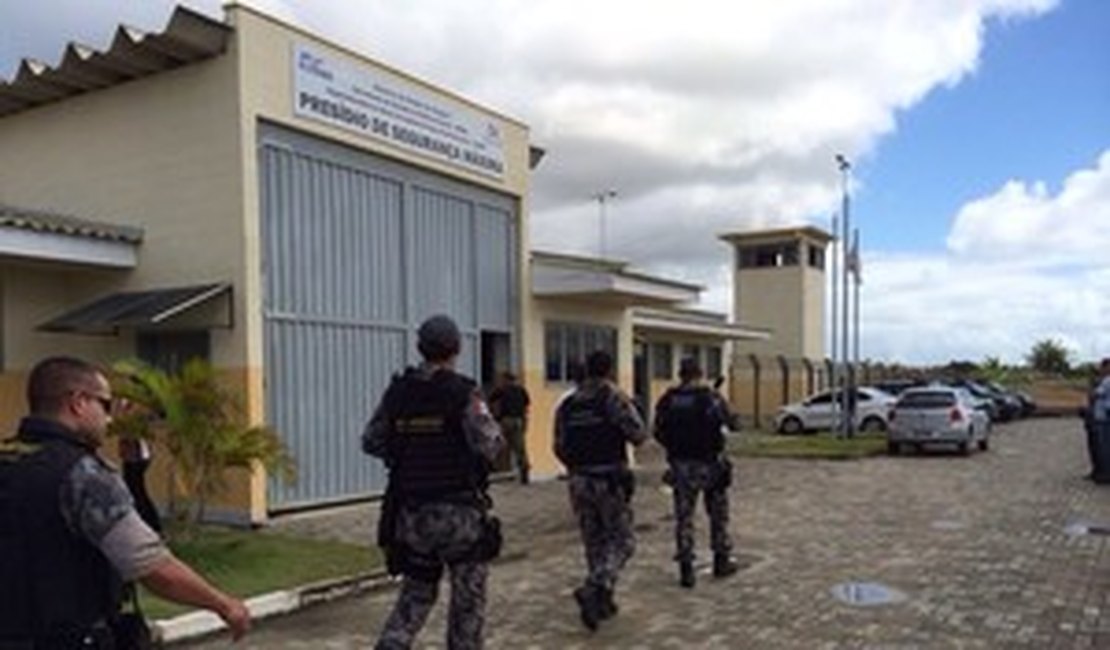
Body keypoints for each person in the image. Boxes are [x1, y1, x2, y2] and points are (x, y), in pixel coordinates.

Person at [0, 356, 250, 648]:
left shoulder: (8, 460)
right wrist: (225, 605)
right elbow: (152, 566)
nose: (109, 419)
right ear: (78, 402)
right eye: (105, 405)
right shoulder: (82, 474)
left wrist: (134, 475)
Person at [362, 315, 504, 650]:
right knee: (467, 604)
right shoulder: (464, 393)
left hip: (412, 514)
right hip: (460, 518)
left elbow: (372, 440)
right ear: (456, 348)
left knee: (415, 596)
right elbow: (491, 445)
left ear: (420, 348)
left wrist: (408, 452)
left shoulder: (398, 393)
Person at [554, 349, 647, 631]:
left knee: (594, 542)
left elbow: (558, 446)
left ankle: (602, 602)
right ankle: (595, 586)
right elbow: (639, 434)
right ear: (609, 370)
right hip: (609, 480)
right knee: (623, 542)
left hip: (579, 481)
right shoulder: (612, 397)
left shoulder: (568, 404)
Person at [653, 358, 739, 588]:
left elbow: (658, 431)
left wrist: (676, 448)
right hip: (710, 464)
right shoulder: (710, 397)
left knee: (684, 517)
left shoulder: (668, 400)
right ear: (699, 374)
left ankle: (686, 568)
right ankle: (721, 559)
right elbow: (733, 422)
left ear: (680, 374)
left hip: (681, 465)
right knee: (718, 514)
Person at [117, 419, 162, 534]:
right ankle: (147, 521)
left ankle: (151, 522)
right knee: (134, 489)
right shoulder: (123, 405)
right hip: (131, 455)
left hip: (137, 456)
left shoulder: (133, 408)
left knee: (137, 490)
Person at [488, 372, 531, 484]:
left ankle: (497, 470)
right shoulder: (521, 390)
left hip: (505, 420)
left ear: (506, 380)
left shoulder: (502, 390)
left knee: (500, 444)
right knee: (520, 448)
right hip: (519, 420)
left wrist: (494, 414)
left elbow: (491, 399)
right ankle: (524, 471)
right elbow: (527, 405)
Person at [1086, 358, 1110, 483]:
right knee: (1101, 446)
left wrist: (1093, 387)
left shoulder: (1107, 381)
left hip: (1105, 417)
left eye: (1102, 367)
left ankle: (1105, 474)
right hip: (1101, 416)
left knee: (1105, 447)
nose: (1100, 370)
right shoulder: (1104, 381)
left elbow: (1094, 395)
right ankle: (1101, 471)